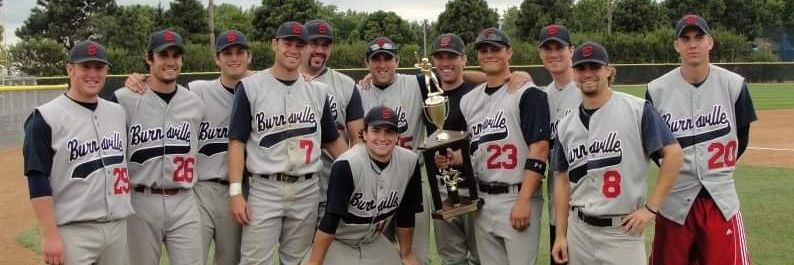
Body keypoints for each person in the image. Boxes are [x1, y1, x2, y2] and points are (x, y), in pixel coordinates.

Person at [123, 29, 252, 265]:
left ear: (249, 56)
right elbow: (163, 85)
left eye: (240, 53)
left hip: (234, 189)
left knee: (230, 260)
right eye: (227, 53)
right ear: (217, 58)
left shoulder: (257, 91)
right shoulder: (197, 91)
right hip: (196, 189)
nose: (234, 58)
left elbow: (268, 78)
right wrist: (137, 78)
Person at [550, 42, 683, 265]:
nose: (587, 73)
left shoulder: (637, 110)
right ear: (574, 74)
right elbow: (562, 181)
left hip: (622, 232)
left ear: (608, 70)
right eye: (581, 68)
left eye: (594, 67)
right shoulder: (565, 125)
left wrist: (651, 209)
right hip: (578, 232)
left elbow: (674, 155)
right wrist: (561, 235)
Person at [226, 21, 347, 265]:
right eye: (287, 43)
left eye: (299, 45)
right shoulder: (250, 87)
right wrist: (236, 192)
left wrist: (360, 166)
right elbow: (237, 141)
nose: (293, 49)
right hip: (265, 188)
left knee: (298, 261)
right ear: (275, 44)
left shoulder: (318, 91)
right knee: (254, 261)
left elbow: (332, 141)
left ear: (305, 49)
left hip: (307, 189)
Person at [647, 14, 756, 265]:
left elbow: (741, 138)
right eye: (685, 39)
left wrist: (713, 170)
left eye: (698, 37)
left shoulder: (734, 85)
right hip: (674, 203)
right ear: (676, 45)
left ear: (710, 42)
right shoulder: (657, 90)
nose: (692, 44)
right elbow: (655, 149)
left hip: (721, 201)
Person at [23, 40, 133, 265]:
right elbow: (37, 179)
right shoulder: (45, 117)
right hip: (73, 231)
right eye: (85, 66)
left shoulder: (118, 112)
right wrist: (49, 235)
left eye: (99, 67)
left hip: (117, 227)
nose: (92, 74)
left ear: (106, 71)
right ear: (70, 69)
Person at [458, 27, 550, 265]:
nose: (489, 54)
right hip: (482, 199)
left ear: (509, 52)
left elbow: (540, 149)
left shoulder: (528, 94)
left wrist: (524, 201)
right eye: (483, 50)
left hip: (516, 195)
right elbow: (476, 149)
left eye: (495, 49)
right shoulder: (469, 101)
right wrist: (454, 159)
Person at [113, 30, 205, 265]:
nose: (171, 61)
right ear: (149, 58)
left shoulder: (194, 102)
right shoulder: (124, 99)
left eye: (176, 55)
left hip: (184, 200)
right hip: (140, 200)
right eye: (163, 55)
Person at [304, 105, 422, 265]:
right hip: (339, 241)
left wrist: (406, 254)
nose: (382, 137)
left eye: (389, 131)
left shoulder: (409, 161)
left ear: (397, 136)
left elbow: (406, 214)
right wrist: (314, 263)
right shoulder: (347, 164)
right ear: (365, 134)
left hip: (373, 241)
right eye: (376, 131)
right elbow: (330, 220)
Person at [422, 33, 481, 265]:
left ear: (464, 59)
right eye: (440, 57)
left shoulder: (477, 92)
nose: (445, 63)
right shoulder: (428, 92)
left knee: (481, 256)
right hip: (442, 190)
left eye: (452, 57)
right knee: (451, 259)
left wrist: (461, 156)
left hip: (474, 185)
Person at [301, 19, 365, 222]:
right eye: (314, 43)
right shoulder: (283, 82)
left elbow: (358, 142)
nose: (320, 50)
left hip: (332, 184)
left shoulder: (346, 85)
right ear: (302, 44)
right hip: (294, 184)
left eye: (325, 45)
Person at [536, 24, 581, 265]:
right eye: (547, 48)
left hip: (591, 205)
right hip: (558, 208)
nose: (553, 54)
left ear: (571, 50)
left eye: (559, 48)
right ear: (540, 54)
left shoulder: (588, 88)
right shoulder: (541, 97)